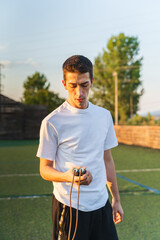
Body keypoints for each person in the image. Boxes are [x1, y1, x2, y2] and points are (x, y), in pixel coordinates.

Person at [36, 55, 124, 240]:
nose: (79, 93)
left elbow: (107, 159)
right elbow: (45, 169)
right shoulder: (52, 122)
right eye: (73, 86)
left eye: (84, 85)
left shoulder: (104, 116)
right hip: (70, 207)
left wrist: (115, 199)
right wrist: (67, 177)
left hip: (102, 205)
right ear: (64, 83)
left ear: (91, 81)